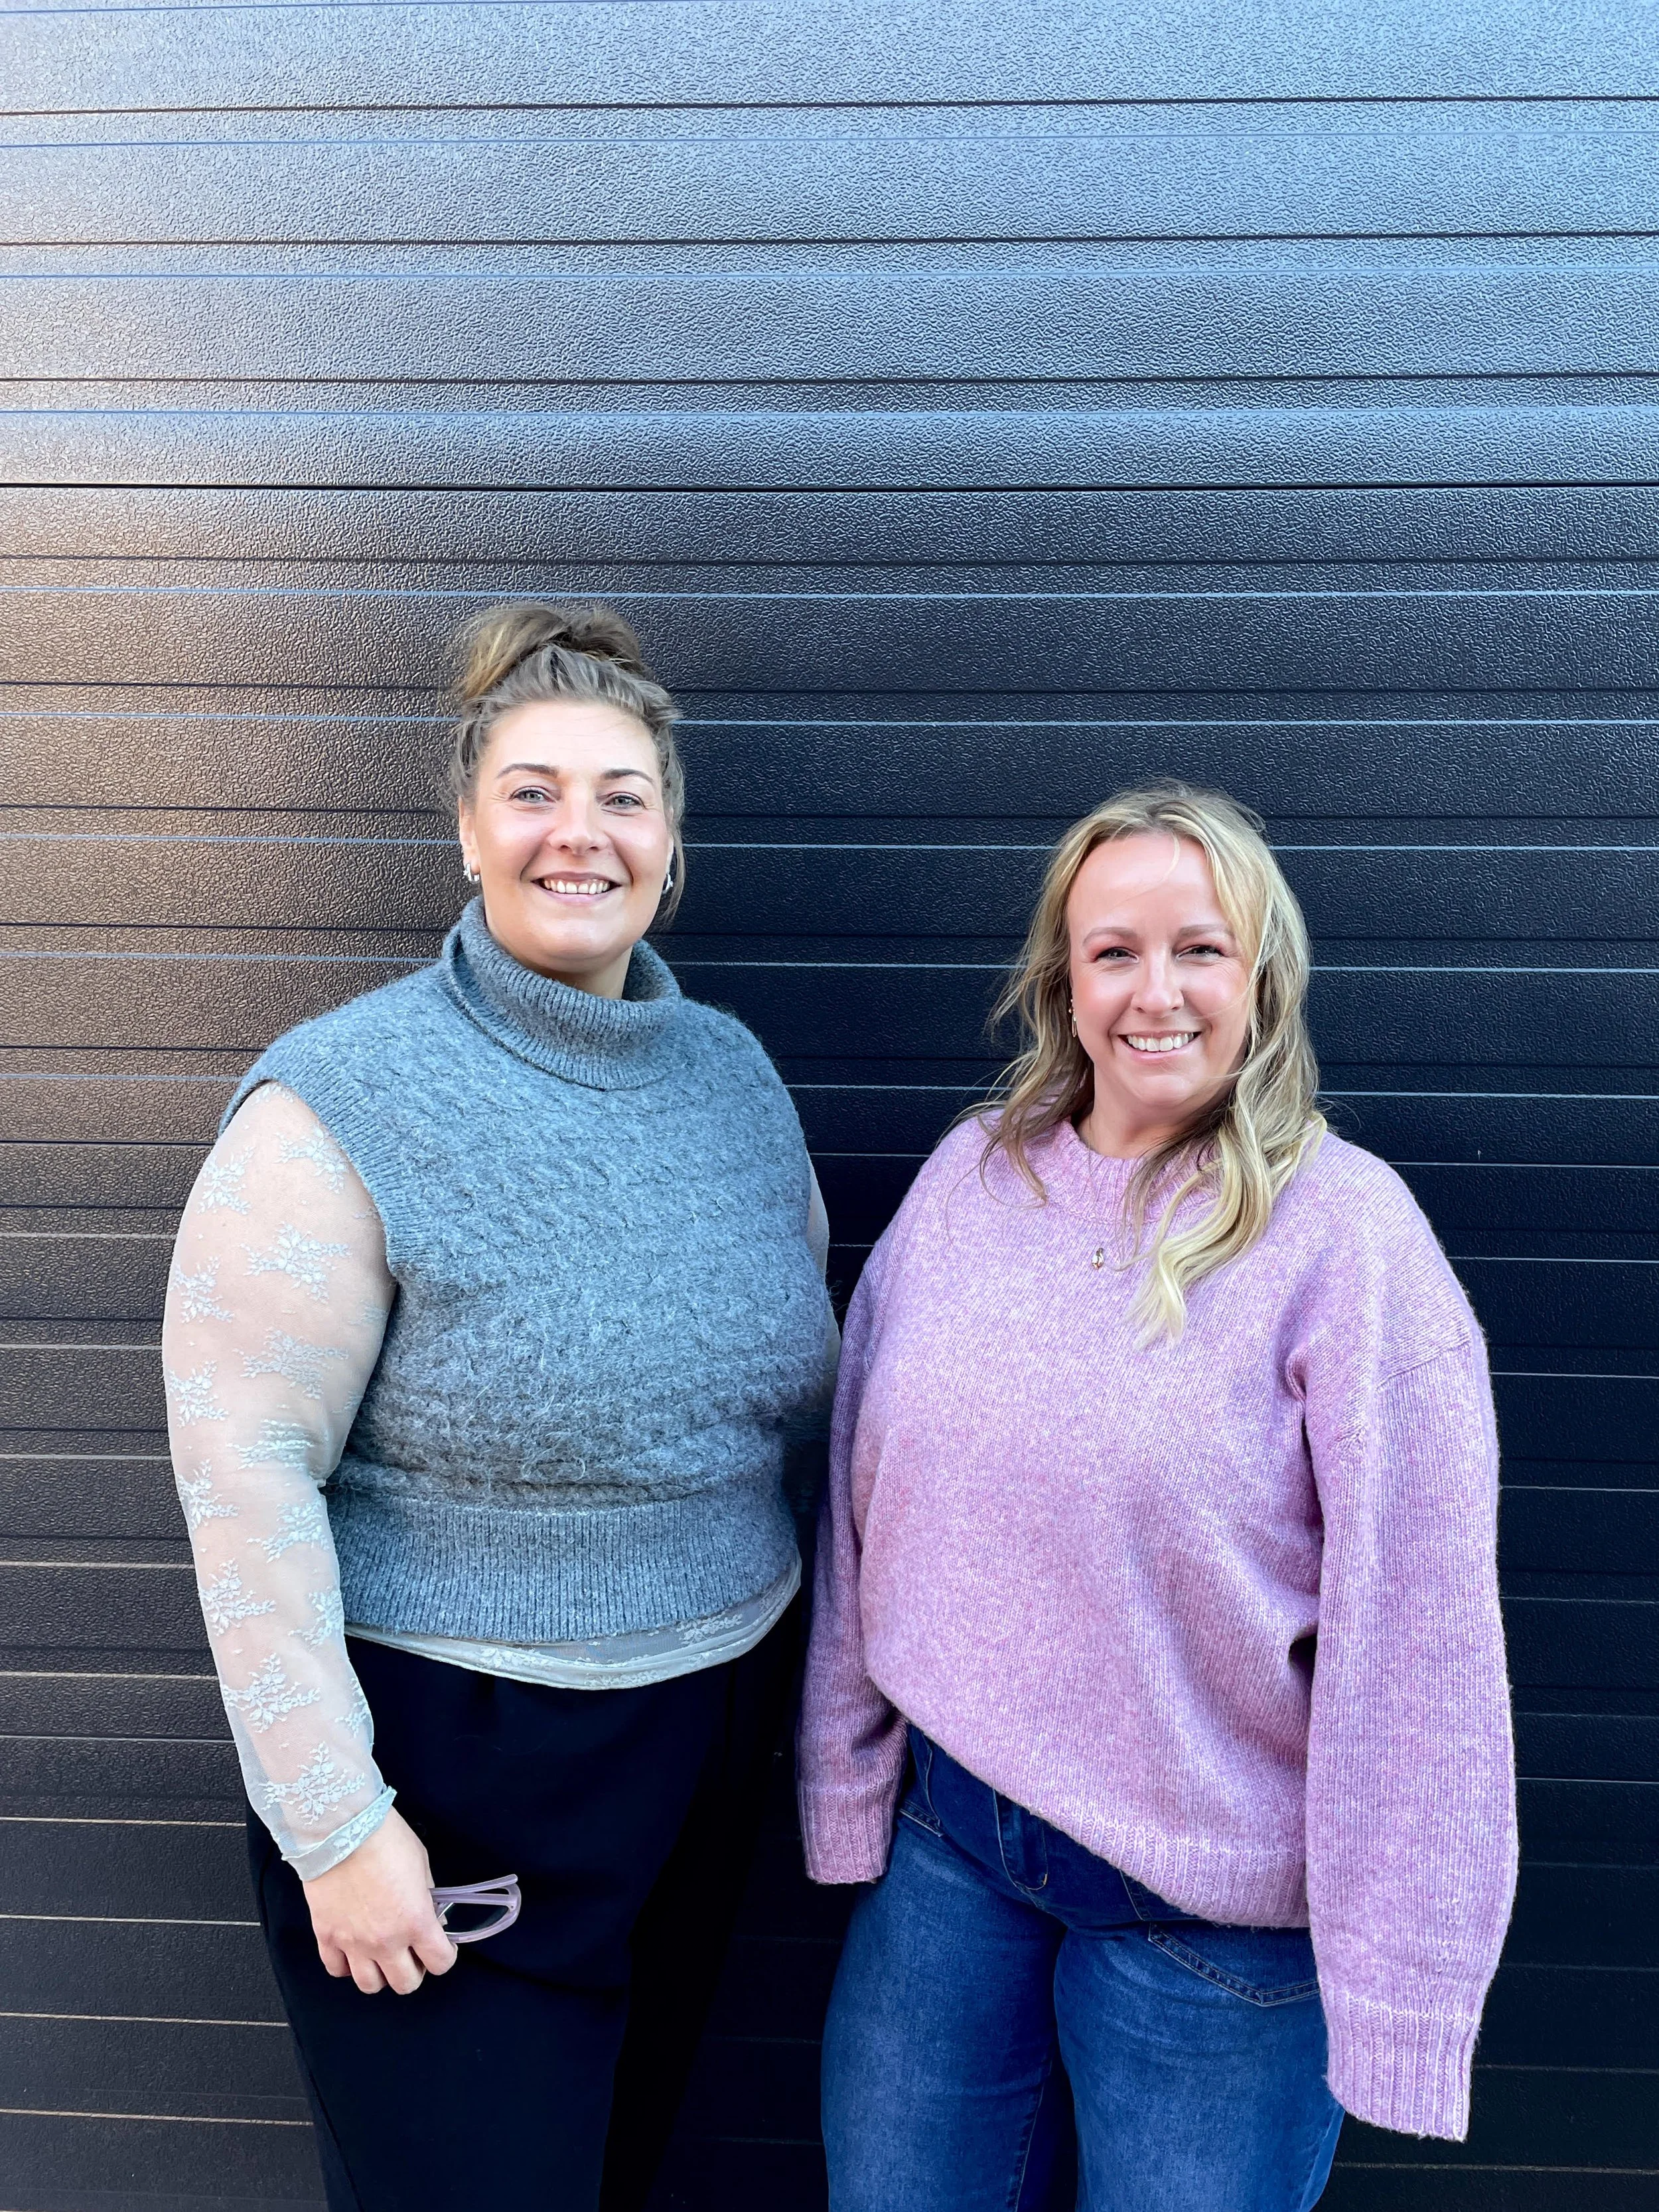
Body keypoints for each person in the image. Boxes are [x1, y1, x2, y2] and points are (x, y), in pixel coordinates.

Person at [163, 603, 837, 2212]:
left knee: (617, 2173)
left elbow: (786, 1377)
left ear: (669, 844)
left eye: (620, 794)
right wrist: (335, 1821)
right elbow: (242, 1470)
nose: (576, 833)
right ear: (465, 829)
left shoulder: (730, 1076)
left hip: (697, 1746)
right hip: (451, 1778)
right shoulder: (340, 1096)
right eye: (531, 791)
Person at [798, 783, 1516, 2212]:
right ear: (1062, 981)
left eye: (1198, 948)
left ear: (1259, 977)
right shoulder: (969, 1180)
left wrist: (1404, 2004)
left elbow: (1422, 1657)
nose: (1155, 991)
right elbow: (857, 1500)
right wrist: (844, 1780)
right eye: (1112, 949)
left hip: (1209, 1924)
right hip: (950, 1864)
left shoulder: (1349, 1241)